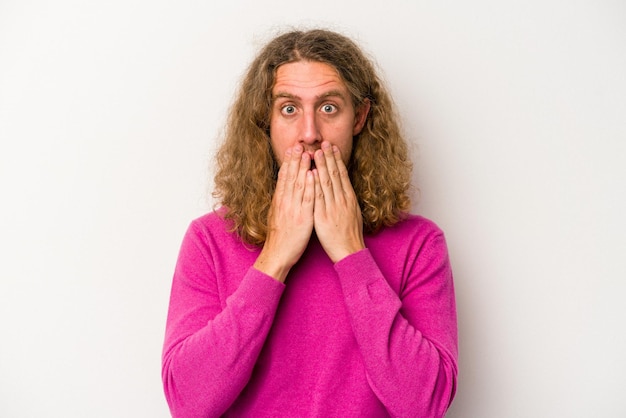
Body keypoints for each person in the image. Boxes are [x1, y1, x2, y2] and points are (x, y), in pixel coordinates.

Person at [162, 29, 458, 417]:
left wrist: (352, 255)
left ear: (360, 117)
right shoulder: (209, 240)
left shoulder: (419, 243)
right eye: (289, 109)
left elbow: (426, 403)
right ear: (264, 120)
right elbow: (188, 402)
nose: (309, 134)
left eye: (329, 108)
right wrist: (274, 260)